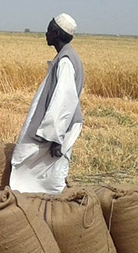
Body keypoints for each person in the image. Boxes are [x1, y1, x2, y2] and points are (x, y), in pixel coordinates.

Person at [9, 13, 84, 194]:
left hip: (57, 130)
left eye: (49, 29)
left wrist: (55, 137)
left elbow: (63, 101)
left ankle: (50, 206)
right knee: (47, 172)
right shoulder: (66, 57)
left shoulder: (66, 60)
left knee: (48, 172)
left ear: (56, 34)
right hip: (57, 129)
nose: (46, 33)